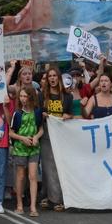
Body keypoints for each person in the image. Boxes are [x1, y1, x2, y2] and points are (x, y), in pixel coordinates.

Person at [38, 66, 78, 212]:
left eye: (55, 76)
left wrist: (68, 116)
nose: (53, 78)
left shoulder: (67, 97)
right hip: (47, 135)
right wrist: (42, 115)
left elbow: (71, 114)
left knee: (59, 166)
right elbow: (37, 114)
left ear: (59, 78)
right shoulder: (42, 96)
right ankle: (54, 199)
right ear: (47, 79)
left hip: (62, 136)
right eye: (50, 76)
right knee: (48, 168)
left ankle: (49, 197)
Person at [10, 85, 43, 217]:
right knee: (20, 175)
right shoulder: (17, 113)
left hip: (34, 148)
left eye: (25, 96)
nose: (23, 99)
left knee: (33, 176)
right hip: (20, 148)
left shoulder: (37, 112)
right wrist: (22, 138)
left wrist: (36, 137)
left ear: (31, 97)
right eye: (21, 96)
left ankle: (33, 207)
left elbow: (41, 129)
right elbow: (11, 133)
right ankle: (19, 204)